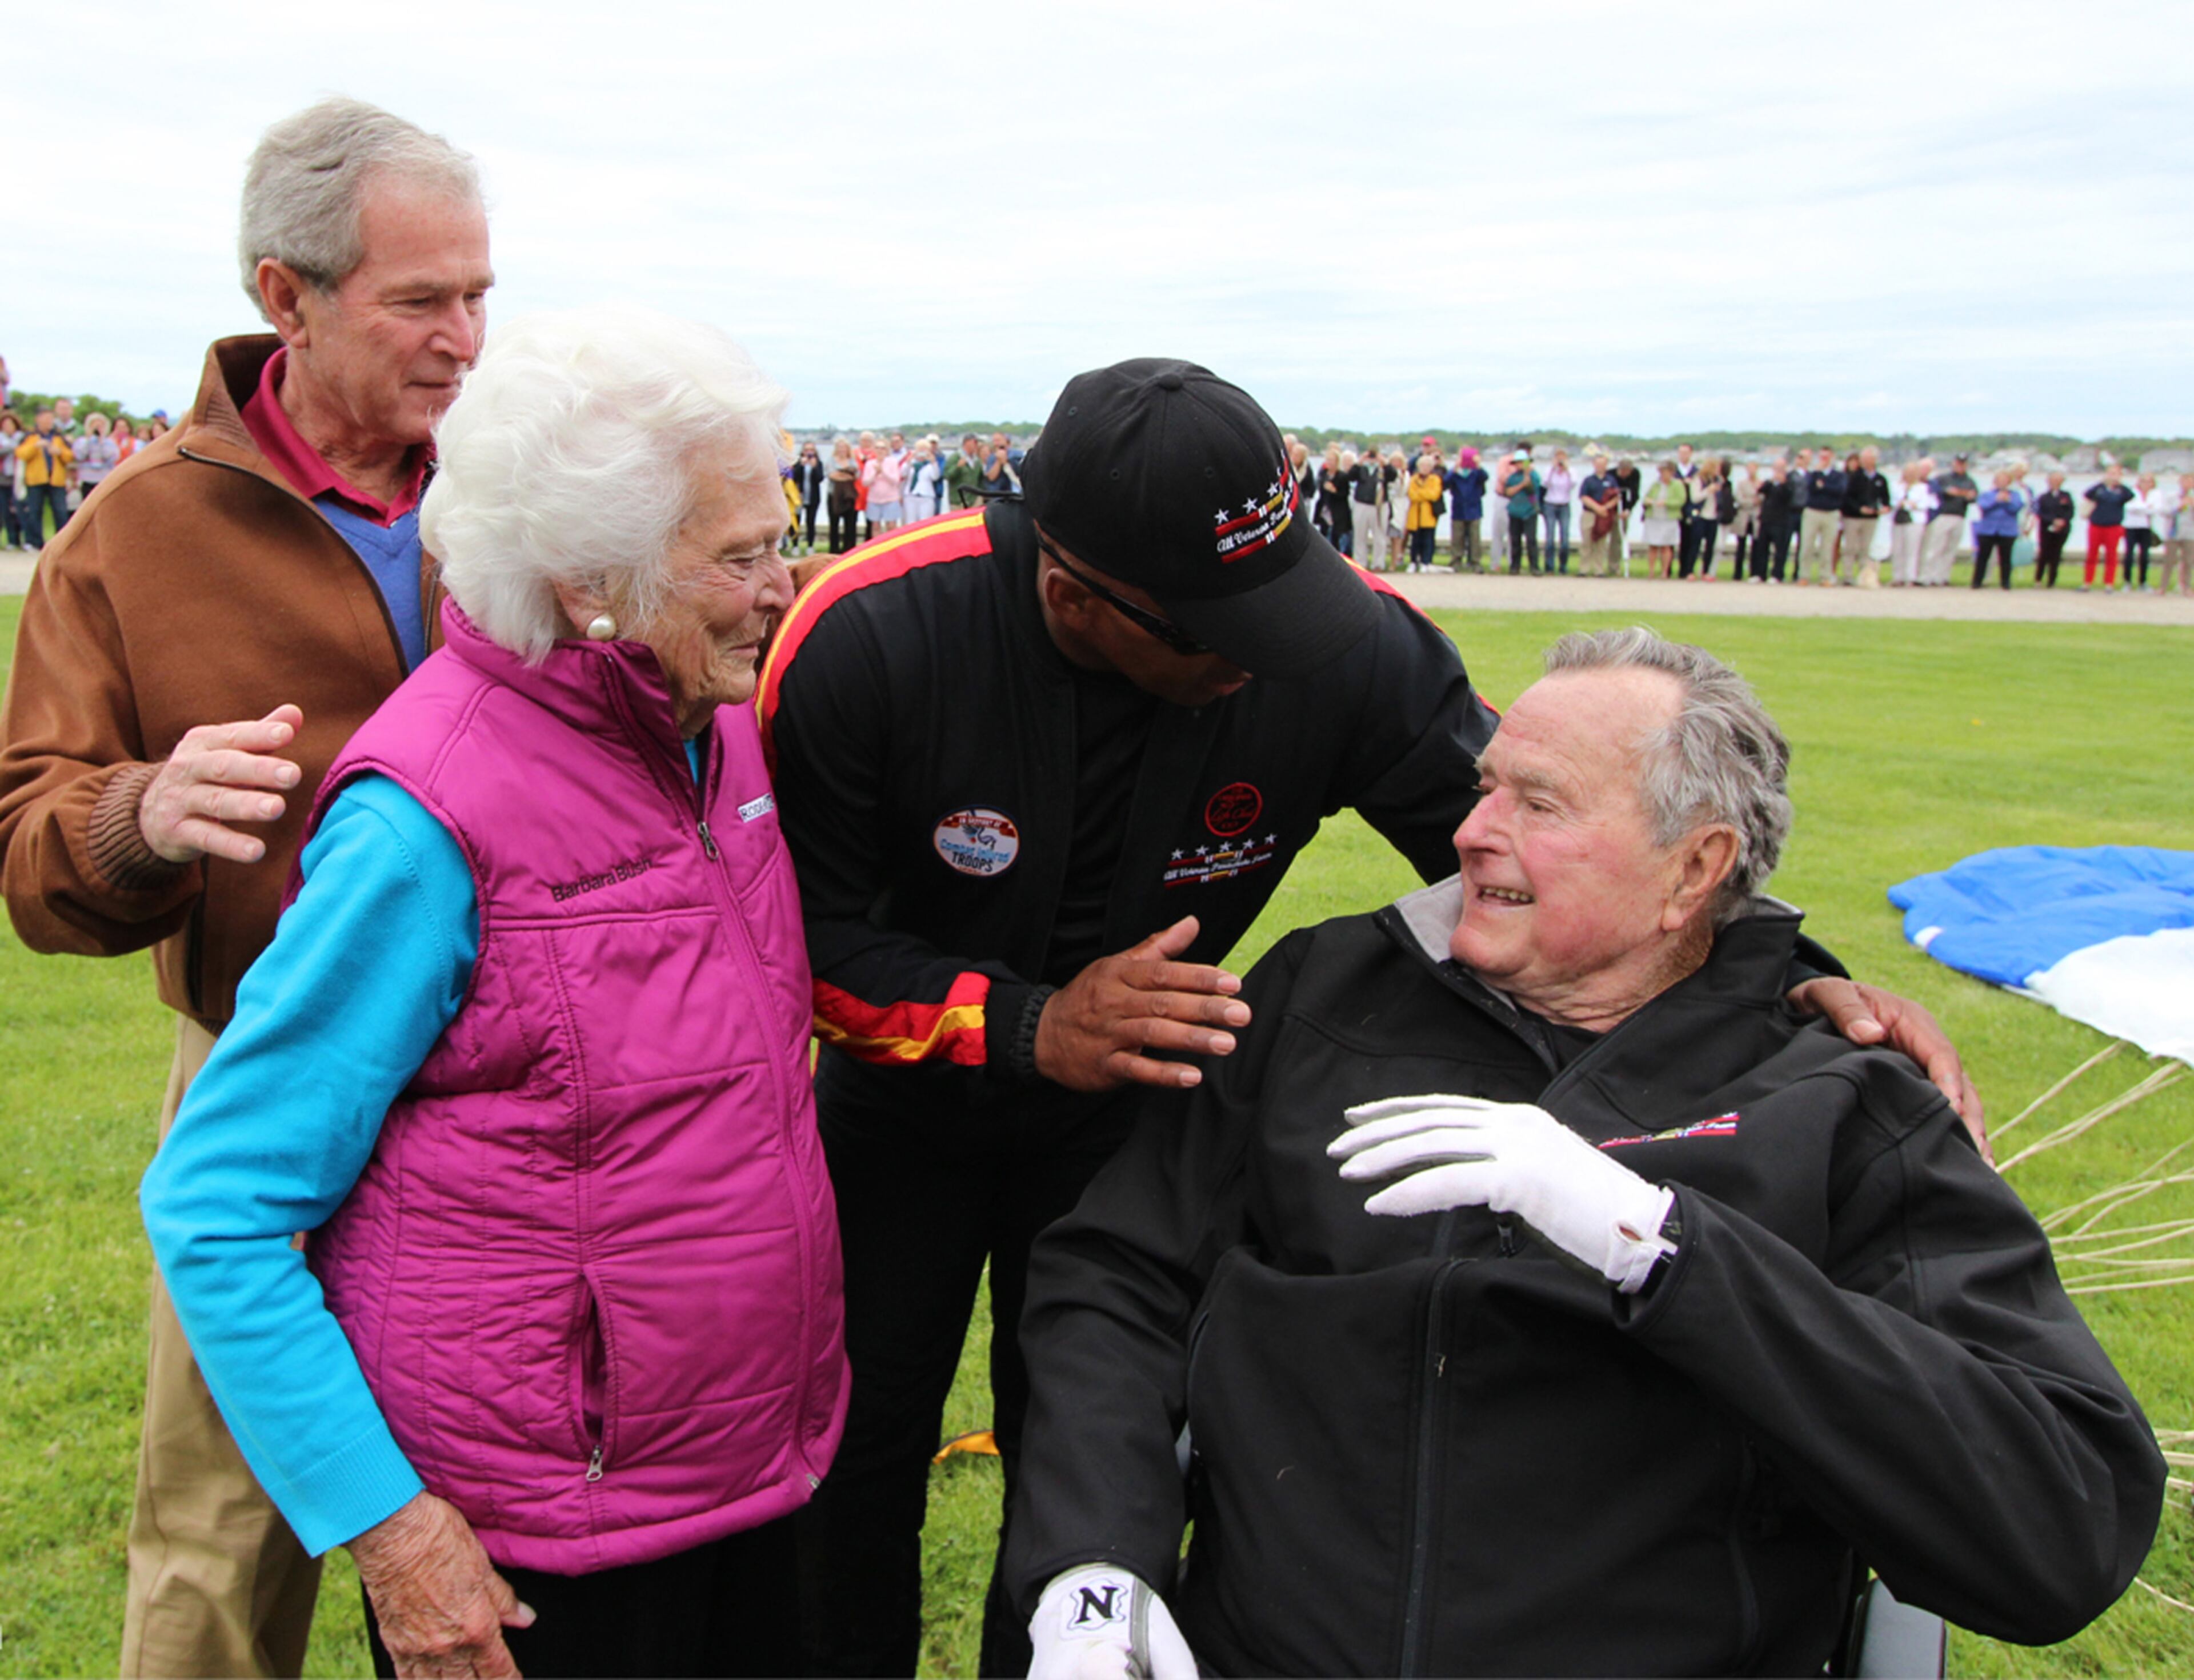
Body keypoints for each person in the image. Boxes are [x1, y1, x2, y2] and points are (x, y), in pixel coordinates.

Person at [759, 362, 1980, 1679]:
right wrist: (1027, 1022)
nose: (1269, 654)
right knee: (853, 1444)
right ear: (1077, 599)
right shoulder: (866, 633)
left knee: (1083, 1415)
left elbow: (1550, 866)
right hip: (899, 1109)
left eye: (1283, 596)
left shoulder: (1339, 642)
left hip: (1141, 1110)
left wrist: (1794, 974)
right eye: (1224, 634)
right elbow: (783, 945)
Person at [1004, 629, 2162, 1680]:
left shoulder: (1836, 1101)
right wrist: (1093, 1566)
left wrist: (1663, 1248)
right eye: (1484, 788)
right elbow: (1116, 1274)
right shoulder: (1323, 1000)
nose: (1469, 832)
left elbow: (2064, 1520)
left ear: (1695, 872)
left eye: (1539, 804)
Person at [139, 306, 847, 1680]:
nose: (785, 586)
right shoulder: (422, 822)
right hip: (541, 1551)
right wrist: (389, 1528)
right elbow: (215, 1203)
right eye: (743, 557)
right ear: (593, 581)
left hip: (749, 1478)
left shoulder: (716, 724)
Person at [0, 98, 491, 1680]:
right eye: (422, 301)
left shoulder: (526, 488)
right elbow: (29, 843)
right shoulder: (130, 534)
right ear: (287, 295)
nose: (467, 338)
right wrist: (145, 813)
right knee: (222, 1543)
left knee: (517, 1514)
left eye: (483, 293)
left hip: (515, 1087)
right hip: (270, 1088)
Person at [14, 407, 74, 546]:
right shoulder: (30, 436)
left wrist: (59, 452)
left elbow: (70, 456)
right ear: (38, 419)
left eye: (51, 419)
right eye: (46, 418)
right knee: (34, 511)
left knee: (60, 511)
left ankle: (62, 543)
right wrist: (36, 447)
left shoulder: (58, 437)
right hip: (36, 480)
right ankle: (35, 542)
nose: (49, 422)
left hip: (56, 480)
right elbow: (21, 454)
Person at [1921, 453, 1977, 586]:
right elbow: (1940, 492)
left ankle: (1943, 577)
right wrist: (1961, 493)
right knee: (1936, 548)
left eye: (1963, 464)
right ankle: (1928, 576)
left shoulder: (1969, 481)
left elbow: (1973, 497)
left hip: (1960, 516)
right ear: (1954, 463)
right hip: (1943, 515)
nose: (1960, 466)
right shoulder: (1943, 478)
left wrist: (1961, 494)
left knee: (1950, 549)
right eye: (1958, 463)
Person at [1839, 445, 1889, 588]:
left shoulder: (1881, 479)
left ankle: (1864, 576)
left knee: (1865, 548)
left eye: (1869, 459)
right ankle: (1848, 576)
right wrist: (1860, 509)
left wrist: (1884, 508)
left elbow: (1885, 499)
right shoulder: (1854, 477)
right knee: (1850, 548)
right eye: (1864, 459)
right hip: (1853, 517)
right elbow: (1847, 498)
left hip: (1872, 519)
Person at [1970, 468, 2027, 590]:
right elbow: (1983, 507)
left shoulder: (2015, 495)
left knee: (2006, 557)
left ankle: (2005, 582)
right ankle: (1977, 581)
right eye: (1999, 480)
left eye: (2005, 480)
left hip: (2007, 530)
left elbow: (2016, 508)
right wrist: (1996, 500)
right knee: (1983, 557)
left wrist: (2007, 501)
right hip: (1988, 529)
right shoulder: (1987, 495)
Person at [1796, 445, 1844, 585]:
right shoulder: (1813, 474)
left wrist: (1823, 486)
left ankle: (1825, 576)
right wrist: (1818, 475)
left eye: (1827, 457)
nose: (1824, 460)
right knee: (1807, 545)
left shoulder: (1838, 476)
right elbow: (1810, 488)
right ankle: (1804, 575)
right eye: (1822, 457)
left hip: (1831, 513)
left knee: (1827, 547)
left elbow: (1839, 491)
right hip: (1813, 511)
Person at [2082, 462, 2133, 590]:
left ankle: (2109, 583)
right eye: (2111, 473)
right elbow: (2088, 494)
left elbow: (2130, 496)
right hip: (2096, 525)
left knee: (2112, 556)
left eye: (2115, 474)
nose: (2113, 476)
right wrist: (2103, 483)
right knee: (2092, 555)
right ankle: (2087, 582)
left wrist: (2119, 484)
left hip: (2113, 527)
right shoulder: (2100, 489)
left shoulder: (2121, 491)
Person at [1753, 455, 1802, 583]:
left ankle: (1777, 574)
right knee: (1762, 548)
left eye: (1781, 468)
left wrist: (1783, 483)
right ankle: (1760, 573)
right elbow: (1761, 491)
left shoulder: (1789, 482)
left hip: (1781, 521)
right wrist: (1769, 482)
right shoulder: (1770, 482)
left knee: (1780, 550)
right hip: (1766, 519)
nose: (1778, 470)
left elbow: (1789, 496)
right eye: (1776, 468)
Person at [1888, 461, 1936, 587]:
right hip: (1899, 519)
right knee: (1898, 549)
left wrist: (1912, 505)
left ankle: (1910, 576)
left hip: (1914, 520)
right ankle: (1898, 576)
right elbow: (1893, 501)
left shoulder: (1923, 487)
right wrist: (1902, 503)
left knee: (1912, 550)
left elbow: (1926, 504)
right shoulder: (1896, 486)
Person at [1576, 450, 1621, 577]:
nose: (1600, 467)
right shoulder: (1588, 480)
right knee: (1587, 542)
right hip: (1589, 513)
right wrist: (1597, 508)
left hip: (1604, 515)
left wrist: (1605, 508)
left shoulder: (1611, 480)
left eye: (1603, 464)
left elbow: (1616, 497)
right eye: (1598, 464)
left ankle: (1599, 569)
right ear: (1594, 465)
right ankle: (1583, 569)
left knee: (1601, 544)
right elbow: (1583, 497)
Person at [1348, 442, 1392, 571]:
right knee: (1360, 535)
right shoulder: (1362, 468)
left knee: (1380, 535)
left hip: (1379, 505)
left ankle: (1378, 564)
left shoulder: (1383, 470)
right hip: (1362, 504)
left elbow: (1393, 476)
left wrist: (1384, 462)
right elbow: (1350, 476)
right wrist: (1360, 462)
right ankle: (1360, 563)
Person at [1680, 457, 1725, 580]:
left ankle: (1706, 571)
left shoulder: (1718, 480)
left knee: (1710, 546)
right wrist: (1708, 491)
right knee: (1695, 544)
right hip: (1700, 516)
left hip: (1713, 516)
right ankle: (1689, 571)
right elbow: (1695, 498)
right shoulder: (1698, 479)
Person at [1640, 458, 1684, 579]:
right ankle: (1651, 571)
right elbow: (1646, 498)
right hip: (1654, 517)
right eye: (1661, 472)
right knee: (1653, 546)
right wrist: (1649, 501)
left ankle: (1665, 572)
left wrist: (1666, 502)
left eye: (1665, 472)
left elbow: (1681, 500)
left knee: (1666, 546)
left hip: (1668, 518)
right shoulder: (1655, 485)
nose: (1663, 474)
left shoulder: (1677, 485)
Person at [1499, 447, 1541, 575]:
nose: (1520, 465)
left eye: (1523, 462)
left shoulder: (1534, 476)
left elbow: (1533, 490)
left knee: (1531, 540)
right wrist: (1522, 484)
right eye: (1518, 462)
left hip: (1529, 511)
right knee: (1515, 540)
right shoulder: (1512, 477)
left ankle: (1534, 567)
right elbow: (1508, 492)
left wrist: (1527, 476)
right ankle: (1515, 566)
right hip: (1515, 511)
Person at [1444, 445, 1486, 570]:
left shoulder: (1476, 473)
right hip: (1459, 509)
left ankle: (1475, 561)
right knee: (1457, 537)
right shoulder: (1456, 473)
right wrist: (1455, 468)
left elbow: (1485, 478)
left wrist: (1478, 465)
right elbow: (1445, 483)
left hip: (1474, 509)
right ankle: (1456, 560)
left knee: (1475, 538)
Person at [2032, 469, 2074, 588]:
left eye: (2058, 480)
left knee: (2056, 554)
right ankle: (2038, 579)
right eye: (2053, 480)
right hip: (2046, 528)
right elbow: (2040, 513)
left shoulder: (2066, 496)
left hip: (2062, 529)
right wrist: (2052, 521)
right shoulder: (2043, 497)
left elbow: (2070, 512)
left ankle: (2052, 581)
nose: (2055, 482)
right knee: (2044, 553)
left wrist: (2062, 521)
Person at [1404, 451, 1443, 571]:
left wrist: (1421, 494)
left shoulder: (1435, 479)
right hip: (1415, 514)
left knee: (1428, 539)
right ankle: (1413, 561)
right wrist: (1424, 494)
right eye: (1423, 466)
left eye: (1427, 466)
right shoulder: (1413, 479)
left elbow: (1434, 495)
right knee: (1415, 540)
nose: (1425, 468)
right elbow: (1412, 494)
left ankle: (1426, 562)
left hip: (1428, 514)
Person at [2123, 471, 2160, 591]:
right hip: (2131, 527)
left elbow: (2156, 509)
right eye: (2143, 481)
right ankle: (2127, 582)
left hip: (2146, 527)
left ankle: (2143, 582)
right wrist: (2146, 507)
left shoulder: (2156, 494)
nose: (2146, 484)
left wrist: (2142, 508)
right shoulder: (2132, 492)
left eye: (2149, 481)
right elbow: (2129, 507)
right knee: (2129, 555)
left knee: (2144, 556)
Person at [1540, 446, 1574, 573]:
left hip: (1564, 505)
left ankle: (1563, 565)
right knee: (1550, 538)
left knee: (1565, 538)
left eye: (1562, 458)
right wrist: (1553, 469)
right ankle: (1549, 566)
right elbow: (1545, 483)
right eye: (1558, 458)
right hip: (1550, 504)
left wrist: (1567, 470)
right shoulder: (1549, 470)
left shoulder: (1571, 471)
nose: (1560, 461)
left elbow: (1573, 484)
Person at [790, 438, 827, 554]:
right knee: (796, 521)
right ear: (803, 451)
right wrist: (802, 465)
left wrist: (814, 467)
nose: (809, 453)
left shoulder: (818, 463)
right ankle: (795, 545)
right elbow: (794, 477)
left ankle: (810, 545)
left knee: (811, 522)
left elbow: (820, 479)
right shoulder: (798, 462)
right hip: (799, 498)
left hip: (813, 497)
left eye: (811, 450)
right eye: (807, 450)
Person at [826, 437, 861, 553]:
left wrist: (841, 474)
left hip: (849, 496)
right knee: (834, 524)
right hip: (834, 496)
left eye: (844, 447)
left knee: (850, 525)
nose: (842, 450)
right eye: (839, 447)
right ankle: (834, 550)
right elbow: (832, 475)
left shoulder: (852, 460)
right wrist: (846, 474)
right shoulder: (831, 460)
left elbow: (856, 475)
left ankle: (849, 550)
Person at [1727, 459, 1761, 578]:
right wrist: (1752, 501)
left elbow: (1762, 498)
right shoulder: (1742, 484)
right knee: (1741, 546)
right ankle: (1738, 574)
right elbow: (1739, 499)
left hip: (1756, 518)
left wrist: (1756, 501)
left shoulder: (1761, 484)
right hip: (1743, 518)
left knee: (1756, 547)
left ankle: (1755, 572)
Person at [2161, 475, 2194, 597]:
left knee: (2189, 562)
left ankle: (2186, 587)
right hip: (2173, 532)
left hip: (2190, 533)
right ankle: (2163, 586)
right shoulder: (2172, 497)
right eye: (2185, 481)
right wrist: (2179, 507)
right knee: (2169, 561)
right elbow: (2164, 512)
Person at [0, 411, 29, 550]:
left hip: (20, 478)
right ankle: (12, 540)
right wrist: (11, 448)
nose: (7, 427)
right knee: (5, 511)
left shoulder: (23, 439)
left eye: (10, 424)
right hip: (3, 479)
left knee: (21, 510)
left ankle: (27, 540)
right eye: (5, 425)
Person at [902, 435, 945, 523]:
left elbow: (935, 477)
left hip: (926, 497)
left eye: (924, 450)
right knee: (910, 522)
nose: (921, 453)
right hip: (911, 496)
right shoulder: (911, 464)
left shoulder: (930, 465)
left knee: (925, 522)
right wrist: (909, 461)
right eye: (919, 450)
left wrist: (934, 463)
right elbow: (903, 474)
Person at [947, 433, 987, 509]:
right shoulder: (955, 458)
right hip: (959, 501)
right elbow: (947, 476)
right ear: (967, 443)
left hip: (975, 501)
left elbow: (981, 480)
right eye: (975, 442)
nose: (977, 445)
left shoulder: (977, 461)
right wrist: (958, 467)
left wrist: (982, 495)